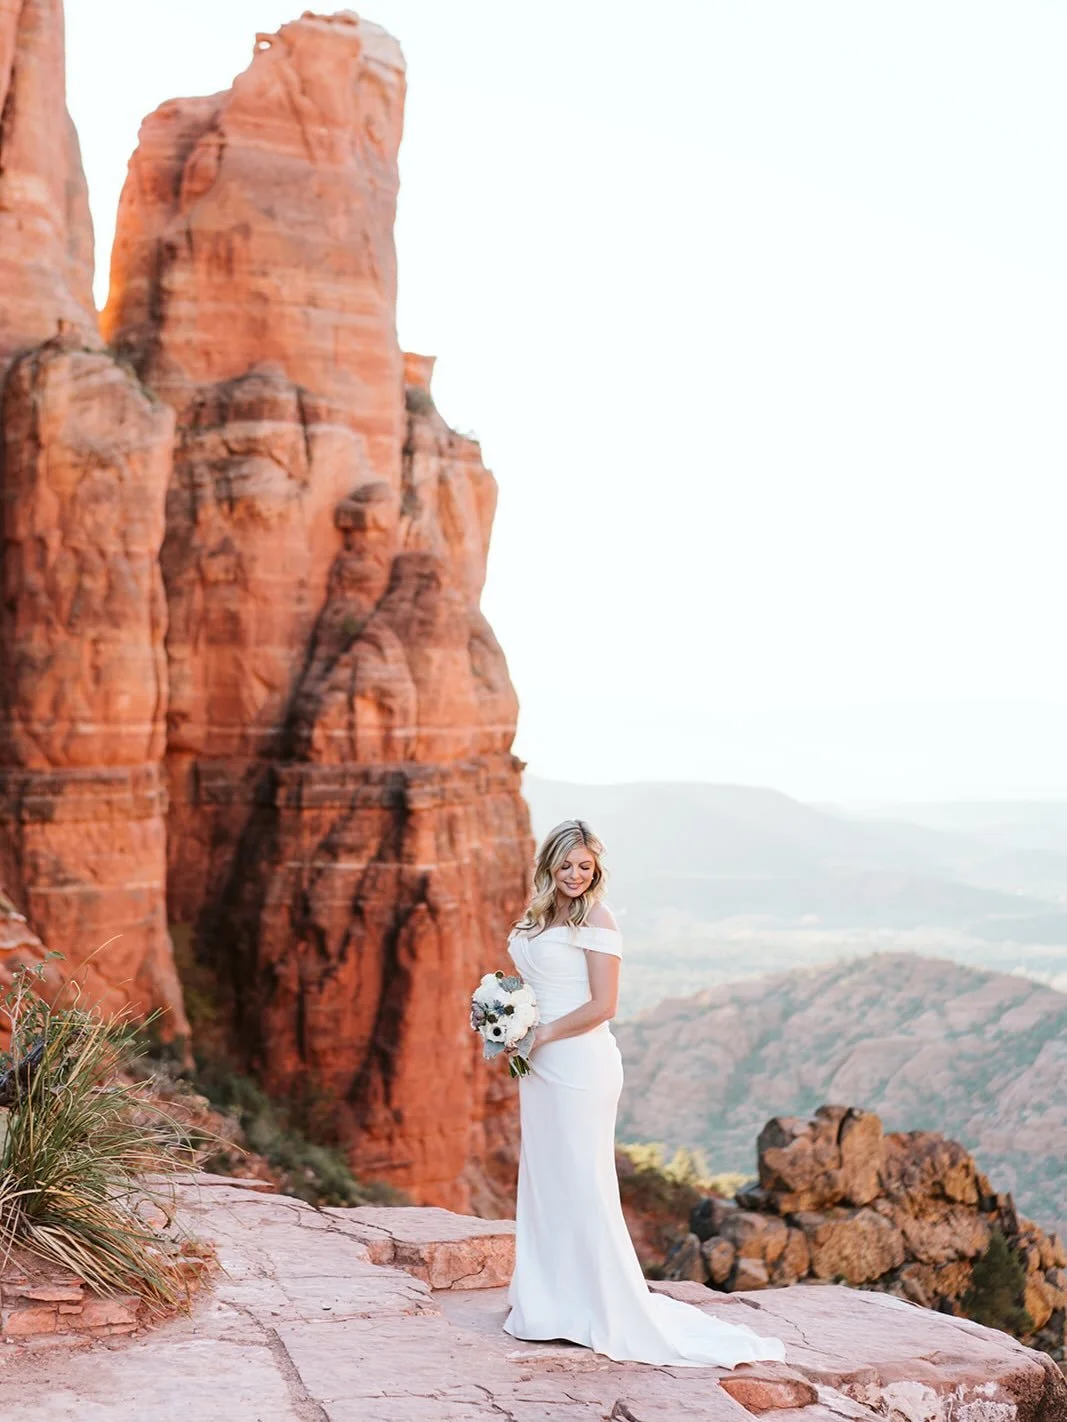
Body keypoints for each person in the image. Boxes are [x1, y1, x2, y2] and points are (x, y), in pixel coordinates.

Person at [501, 818, 786, 1368]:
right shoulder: (538, 916)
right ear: (548, 865)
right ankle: (545, 1300)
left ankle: (595, 1305)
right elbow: (533, 986)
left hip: (579, 1063)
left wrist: (542, 1034)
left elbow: (604, 1005)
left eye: (586, 866)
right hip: (537, 1065)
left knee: (582, 1178)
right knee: (545, 1175)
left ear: (597, 870)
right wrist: (509, 1021)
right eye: (566, 864)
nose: (576, 875)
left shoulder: (598, 919)